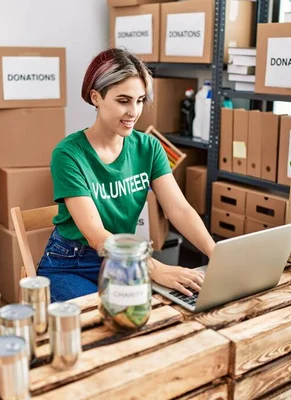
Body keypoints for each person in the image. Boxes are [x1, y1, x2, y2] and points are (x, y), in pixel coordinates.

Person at [37, 48, 216, 302]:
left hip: (125, 260)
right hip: (72, 263)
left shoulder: (149, 148)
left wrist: (216, 254)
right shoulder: (69, 154)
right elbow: (96, 235)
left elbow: (180, 210)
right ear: (96, 97)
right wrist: (154, 268)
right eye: (124, 100)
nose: (134, 111)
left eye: (140, 100)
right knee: (109, 323)